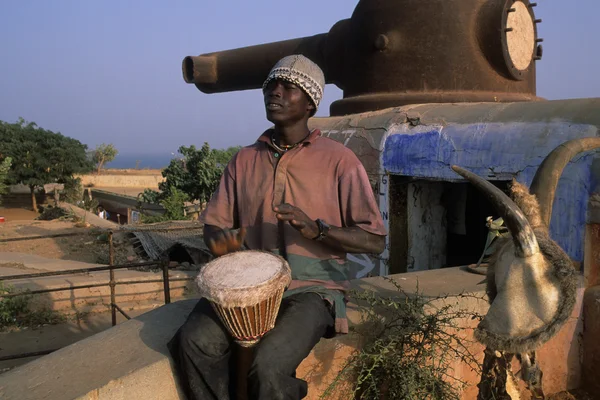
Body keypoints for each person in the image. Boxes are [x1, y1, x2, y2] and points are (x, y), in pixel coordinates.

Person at [168, 54, 387, 400]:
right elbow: (215, 227)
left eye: (289, 87)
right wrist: (229, 252)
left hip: (312, 289)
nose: (276, 92)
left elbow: (374, 240)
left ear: (311, 103)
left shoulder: (339, 160)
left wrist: (320, 230)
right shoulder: (243, 159)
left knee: (268, 367)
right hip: (248, 291)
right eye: (272, 84)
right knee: (193, 340)